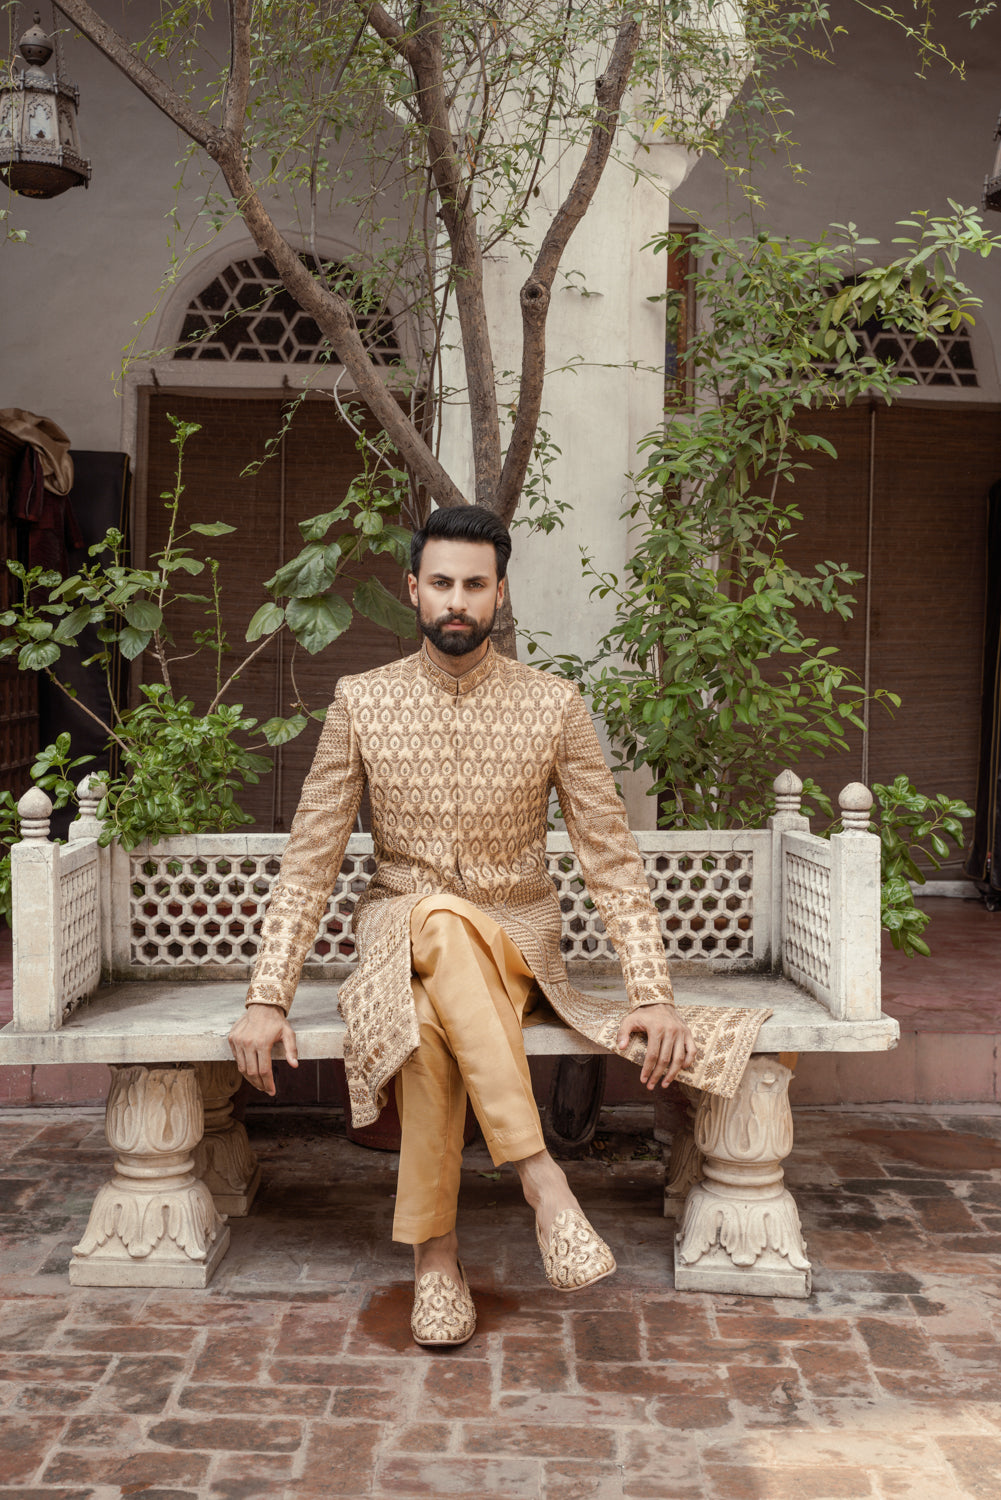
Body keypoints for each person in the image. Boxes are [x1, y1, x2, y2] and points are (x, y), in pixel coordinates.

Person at [228, 505, 766, 1347]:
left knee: (437, 1027)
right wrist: (268, 997)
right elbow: (312, 857)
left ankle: (435, 1262)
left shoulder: (551, 705)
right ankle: (542, 1183)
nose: (456, 599)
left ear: (498, 593)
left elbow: (609, 856)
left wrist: (651, 992)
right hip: (397, 933)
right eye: (440, 582)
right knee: (436, 915)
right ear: (412, 589)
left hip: (516, 940)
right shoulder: (361, 701)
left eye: (473, 585)